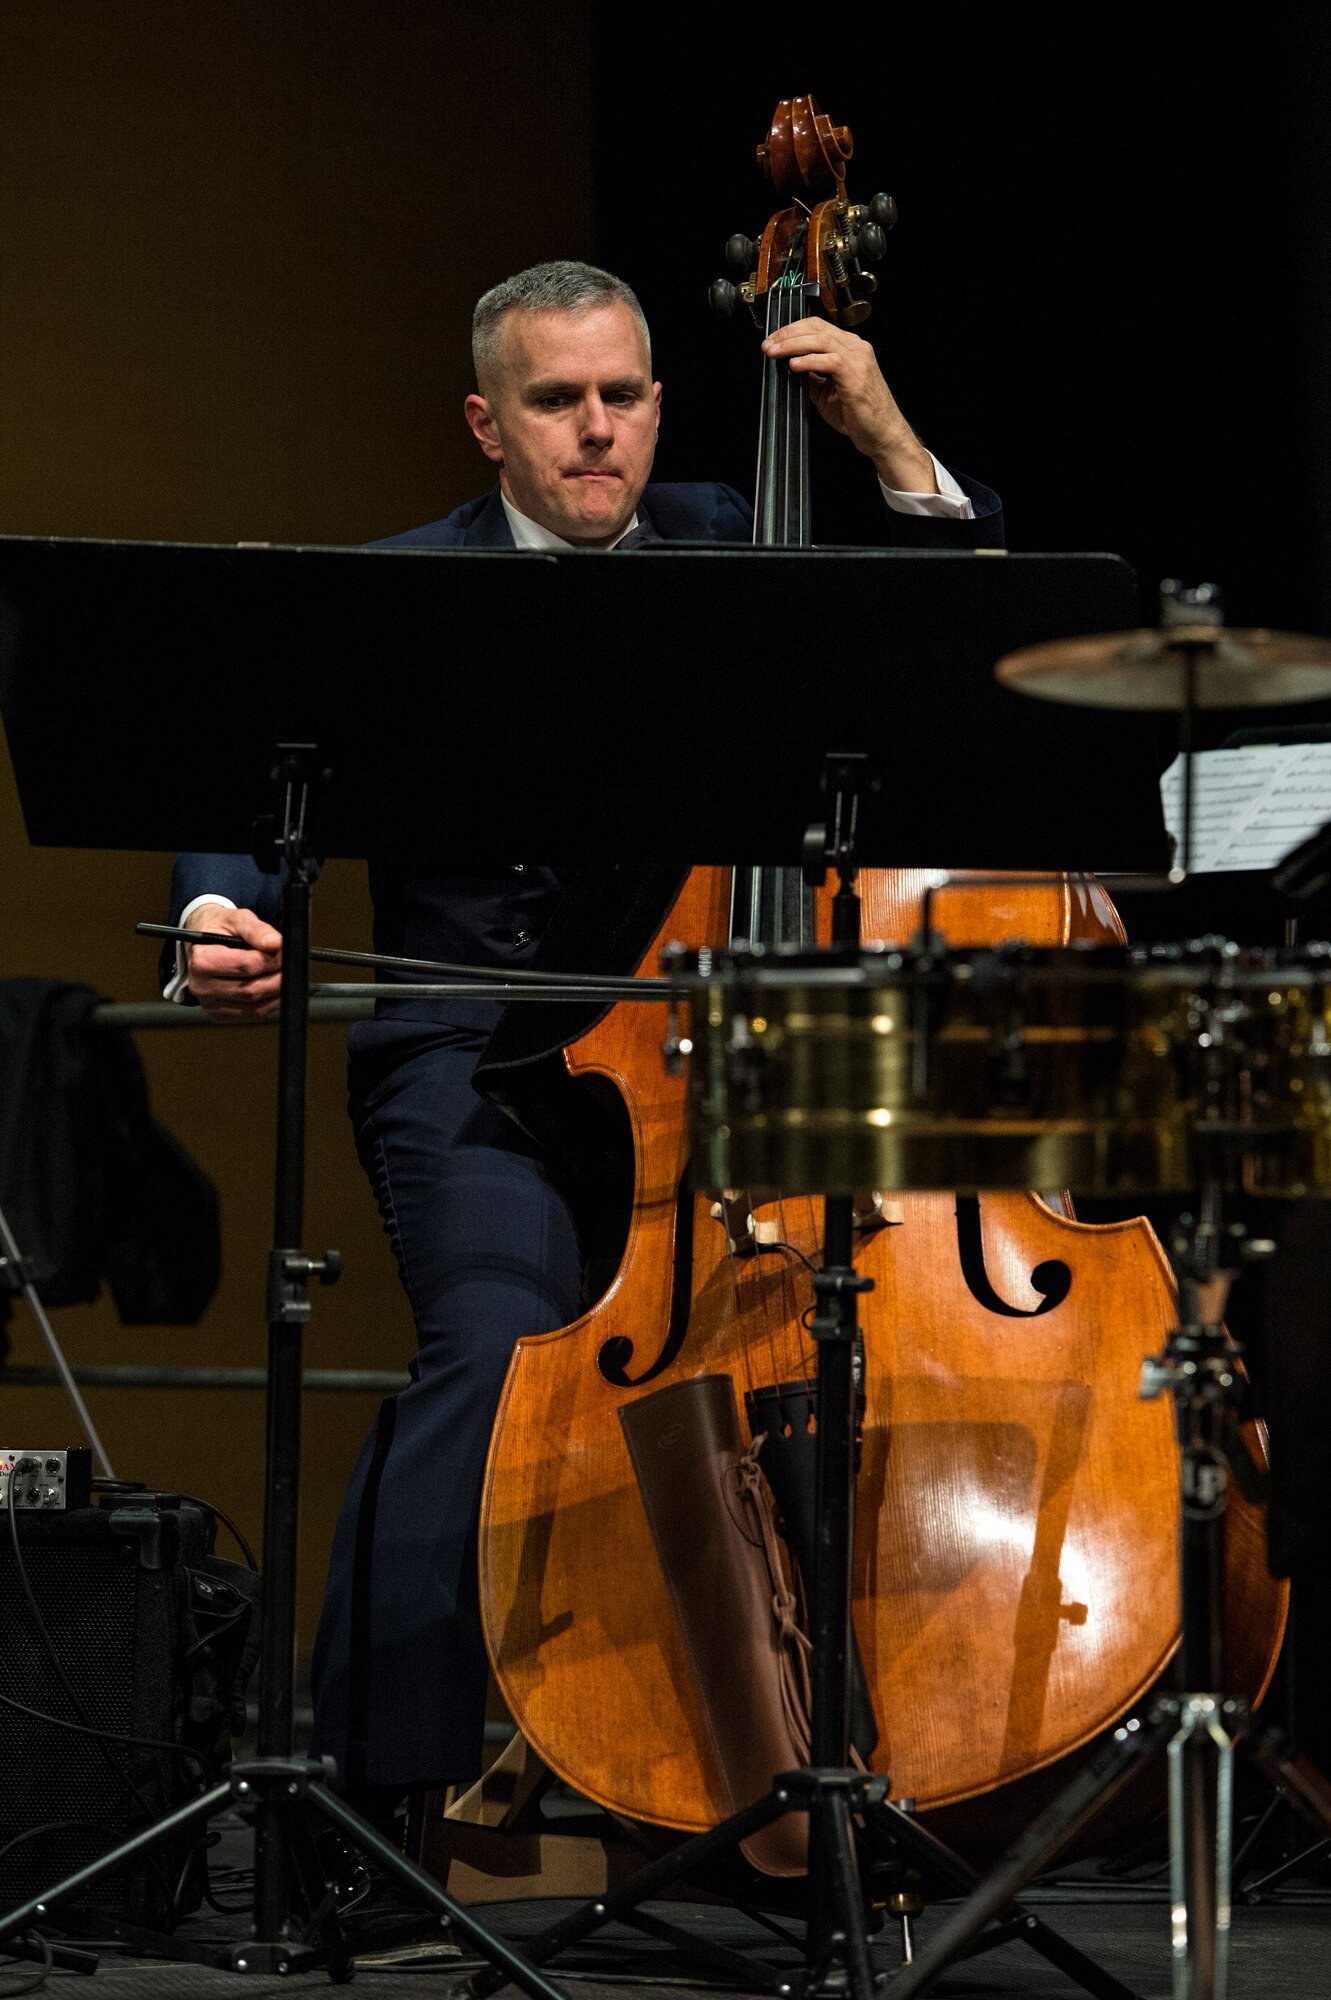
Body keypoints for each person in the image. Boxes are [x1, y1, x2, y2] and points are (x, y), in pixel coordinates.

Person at [168, 261, 1003, 1819]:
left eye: (623, 395)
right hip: (475, 1059)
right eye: (559, 402)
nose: (598, 431)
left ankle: (779, 1774)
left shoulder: (737, 545)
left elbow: (958, 641)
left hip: (716, 1061)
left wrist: (888, 440)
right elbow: (246, 792)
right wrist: (225, 909)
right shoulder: (405, 591)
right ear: (490, 423)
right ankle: (378, 1797)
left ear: (661, 403)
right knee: (496, 1357)